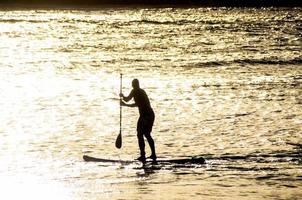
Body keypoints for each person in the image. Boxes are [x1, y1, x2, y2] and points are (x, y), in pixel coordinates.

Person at [120, 79, 156, 163]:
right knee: (141, 134)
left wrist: (125, 105)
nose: (134, 86)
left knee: (145, 134)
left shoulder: (141, 92)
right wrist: (122, 96)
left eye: (135, 85)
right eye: (133, 85)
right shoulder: (133, 91)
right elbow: (127, 99)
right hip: (143, 116)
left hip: (148, 115)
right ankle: (143, 155)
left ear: (138, 85)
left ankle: (151, 154)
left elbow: (137, 104)